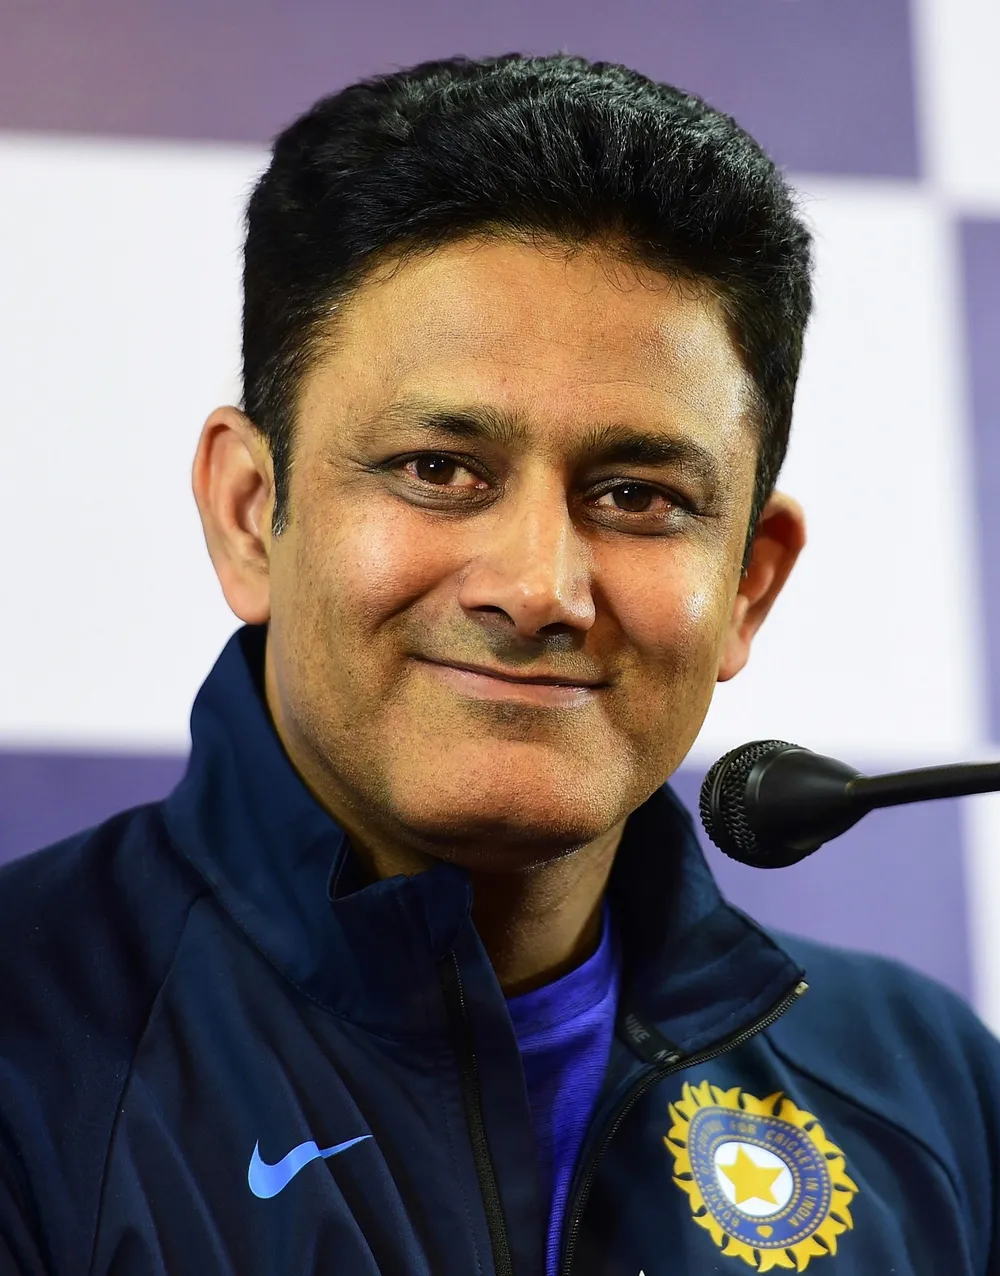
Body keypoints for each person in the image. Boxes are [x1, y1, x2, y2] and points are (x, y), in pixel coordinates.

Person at [0, 52, 997, 1276]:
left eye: (636, 495)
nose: (537, 588)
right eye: (438, 470)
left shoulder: (933, 1092)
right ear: (251, 513)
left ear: (748, 580)